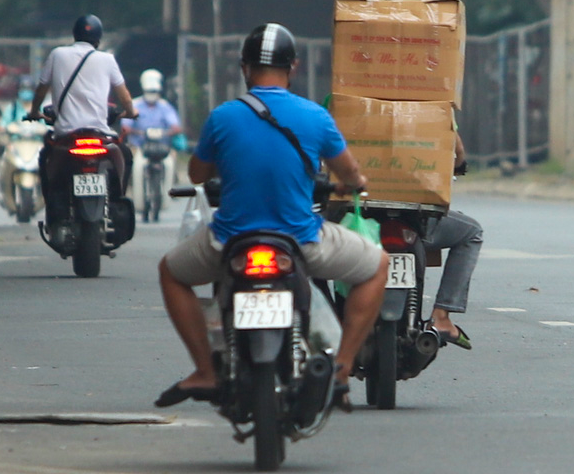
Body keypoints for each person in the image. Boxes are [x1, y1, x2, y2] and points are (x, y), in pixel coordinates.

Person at [155, 24, 389, 407]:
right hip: (301, 241)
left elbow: (197, 176)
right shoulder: (315, 117)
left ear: (245, 67)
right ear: (292, 67)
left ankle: (205, 370)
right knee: (378, 265)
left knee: (171, 271)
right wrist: (356, 182)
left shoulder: (223, 117)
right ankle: (342, 368)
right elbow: (348, 173)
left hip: (229, 242)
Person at [28, 14, 137, 222]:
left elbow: (41, 90)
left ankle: (52, 205)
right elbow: (125, 98)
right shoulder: (107, 59)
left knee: (45, 158)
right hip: (100, 133)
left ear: (74, 35)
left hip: (65, 134)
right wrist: (130, 112)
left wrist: (34, 112)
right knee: (126, 154)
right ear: (98, 38)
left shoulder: (57, 55)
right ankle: (118, 199)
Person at [424, 132, 483, 350]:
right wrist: (459, 163)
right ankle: (441, 315)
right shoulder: (432, 107)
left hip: (361, 221)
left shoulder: (351, 107)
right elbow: (454, 144)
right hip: (419, 220)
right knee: (472, 232)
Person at [122, 68, 183, 149]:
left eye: (154, 91)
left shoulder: (165, 107)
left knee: (171, 161)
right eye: (149, 91)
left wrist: (162, 133)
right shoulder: (134, 105)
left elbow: (176, 128)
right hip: (139, 147)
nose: (151, 94)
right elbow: (125, 128)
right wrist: (141, 133)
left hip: (163, 148)